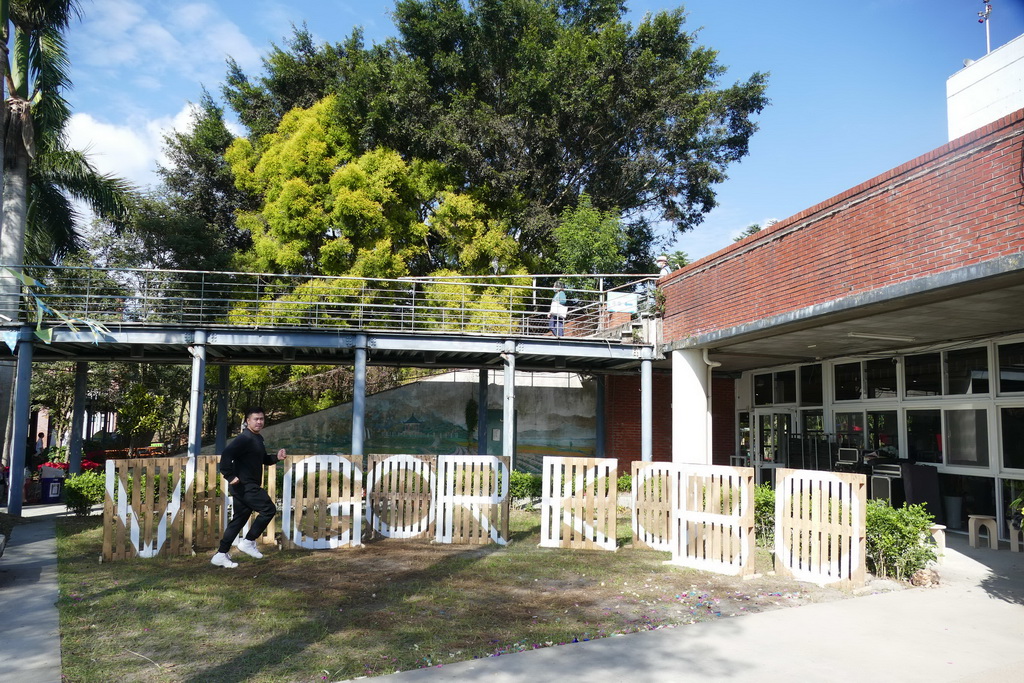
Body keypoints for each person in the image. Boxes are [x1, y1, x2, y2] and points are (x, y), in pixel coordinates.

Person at [211, 407, 287, 569]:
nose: (259, 422)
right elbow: (226, 455)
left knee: (239, 520)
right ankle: (248, 541)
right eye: (255, 419)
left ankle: (220, 555)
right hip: (245, 486)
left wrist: (276, 458)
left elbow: (262, 459)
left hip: (245, 486)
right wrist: (229, 476)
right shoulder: (244, 438)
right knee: (268, 510)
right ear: (247, 421)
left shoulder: (257, 438)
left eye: (261, 419)